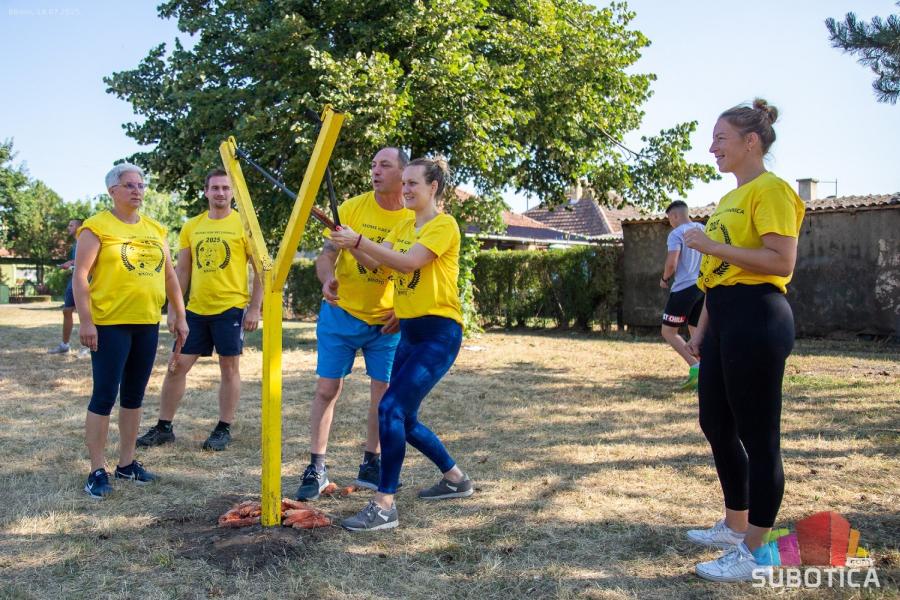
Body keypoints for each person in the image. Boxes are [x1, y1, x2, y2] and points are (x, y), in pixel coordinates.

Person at [682, 99, 804, 582]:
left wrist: (710, 244)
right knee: (715, 422)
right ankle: (735, 526)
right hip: (725, 317)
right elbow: (718, 276)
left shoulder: (772, 190)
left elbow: (781, 262)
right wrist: (702, 331)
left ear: (751, 142)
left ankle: (756, 552)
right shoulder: (730, 198)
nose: (712, 148)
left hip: (759, 316)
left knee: (758, 436)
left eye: (720, 138)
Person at [331, 156, 474, 531]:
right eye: (404, 183)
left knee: (390, 408)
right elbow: (377, 264)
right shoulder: (406, 227)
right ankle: (456, 479)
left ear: (433, 188)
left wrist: (359, 240)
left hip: (439, 333)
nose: (406, 189)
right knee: (403, 418)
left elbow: (409, 264)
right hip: (410, 331)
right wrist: (346, 240)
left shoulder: (444, 226)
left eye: (413, 183)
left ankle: (384, 505)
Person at [295, 147, 412, 500]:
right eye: (373, 164)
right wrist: (327, 279)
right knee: (327, 389)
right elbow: (326, 256)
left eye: (384, 165)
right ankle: (316, 467)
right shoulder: (351, 208)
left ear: (403, 172)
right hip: (340, 314)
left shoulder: (412, 217)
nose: (375, 171)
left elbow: (410, 269)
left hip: (387, 323)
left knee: (383, 394)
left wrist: (404, 311)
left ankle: (371, 463)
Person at [73, 163, 189, 499]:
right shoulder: (96, 228)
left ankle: (126, 464)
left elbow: (169, 276)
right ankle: (97, 469)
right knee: (105, 395)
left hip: (146, 323)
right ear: (112, 191)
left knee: (135, 396)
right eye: (129, 185)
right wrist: (86, 321)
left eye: (141, 184)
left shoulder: (155, 230)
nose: (137, 190)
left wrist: (179, 315)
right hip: (109, 324)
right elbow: (80, 276)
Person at [136, 169, 262, 452]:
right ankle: (164, 427)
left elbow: (261, 271)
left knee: (229, 368)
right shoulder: (192, 226)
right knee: (176, 366)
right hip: (195, 310)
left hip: (230, 308)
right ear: (205, 192)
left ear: (232, 193)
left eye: (225, 188)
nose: (220, 193)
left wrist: (254, 308)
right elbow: (182, 271)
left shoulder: (245, 226)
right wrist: (173, 309)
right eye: (215, 188)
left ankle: (223, 427)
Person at [659, 200, 705, 389]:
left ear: (675, 215)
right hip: (703, 286)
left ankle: (696, 368)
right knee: (696, 331)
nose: (670, 222)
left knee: (668, 331)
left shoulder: (676, 233)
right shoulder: (702, 229)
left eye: (670, 218)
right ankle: (709, 370)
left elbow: (672, 262)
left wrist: (665, 278)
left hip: (684, 288)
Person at [48, 218, 87, 356]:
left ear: (79, 226)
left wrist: (71, 262)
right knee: (67, 310)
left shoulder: (87, 241)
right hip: (74, 279)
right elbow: (77, 263)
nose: (68, 227)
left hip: (86, 280)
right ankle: (64, 346)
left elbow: (89, 260)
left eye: (71, 225)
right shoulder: (75, 244)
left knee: (85, 312)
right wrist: (70, 264)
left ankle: (87, 347)